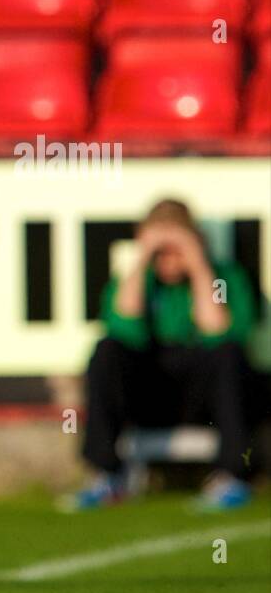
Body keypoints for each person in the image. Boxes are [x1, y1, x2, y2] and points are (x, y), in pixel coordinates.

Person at [67, 197, 259, 511]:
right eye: (162, 251)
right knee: (106, 351)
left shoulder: (224, 277)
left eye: (176, 250)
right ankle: (105, 474)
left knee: (228, 355)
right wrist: (143, 258)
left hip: (204, 401)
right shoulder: (135, 282)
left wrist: (197, 265)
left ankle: (232, 477)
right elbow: (122, 326)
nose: (169, 260)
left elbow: (220, 332)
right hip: (149, 395)